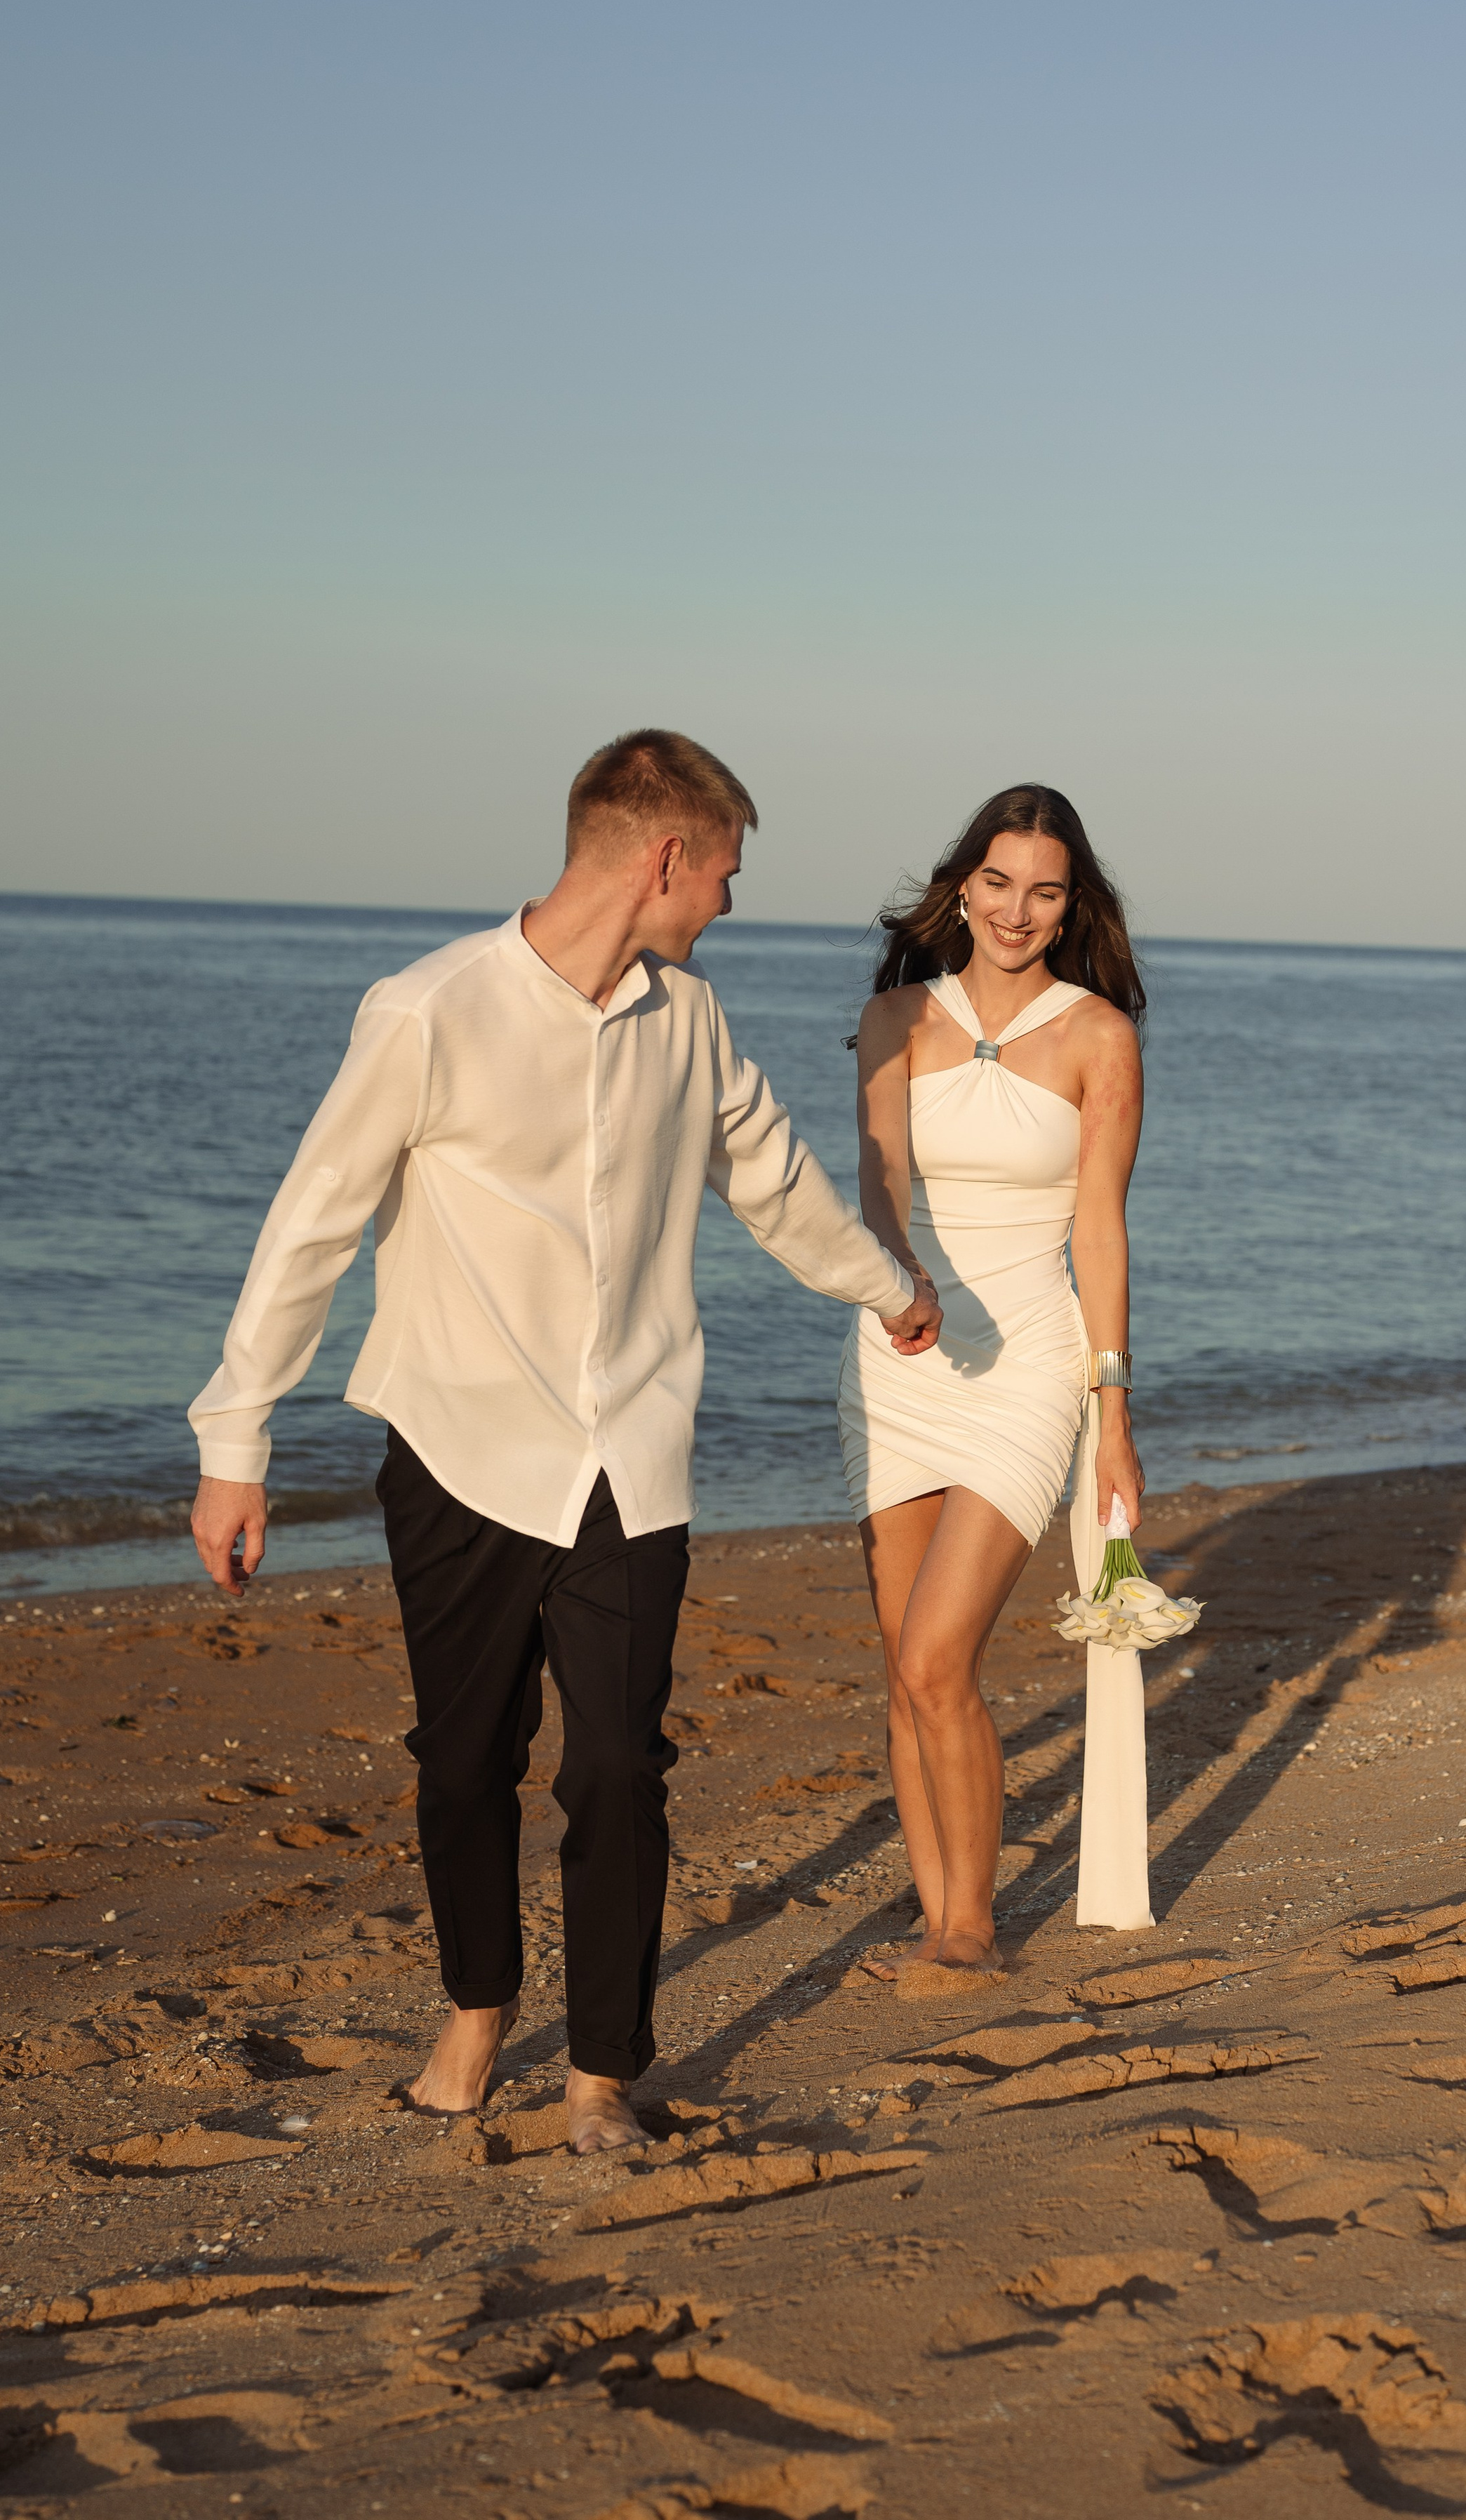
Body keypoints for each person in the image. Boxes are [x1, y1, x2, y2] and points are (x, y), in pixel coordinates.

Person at [188, 731, 940, 2149]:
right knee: (464, 1759)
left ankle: (603, 2070)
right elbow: (312, 1226)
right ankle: (476, 2007)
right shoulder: (429, 1010)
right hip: (460, 1447)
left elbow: (772, 1183)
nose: (726, 899)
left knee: (615, 1765)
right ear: (662, 858)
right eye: (723, 870)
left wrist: (891, 1289)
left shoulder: (689, 1019)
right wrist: (237, 1440)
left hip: (630, 1454)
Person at [839, 783, 1148, 1976]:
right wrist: (895, 1281)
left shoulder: (1098, 1037)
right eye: (1000, 882)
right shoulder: (894, 1018)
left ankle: (972, 1930)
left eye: (1047, 890)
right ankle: (940, 1912)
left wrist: (1112, 1414)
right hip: (895, 1355)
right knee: (903, 1669)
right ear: (962, 884)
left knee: (936, 1659)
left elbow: (1103, 1232)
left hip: (1029, 1364)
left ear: (1074, 905)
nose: (1019, 910)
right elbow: (877, 1192)